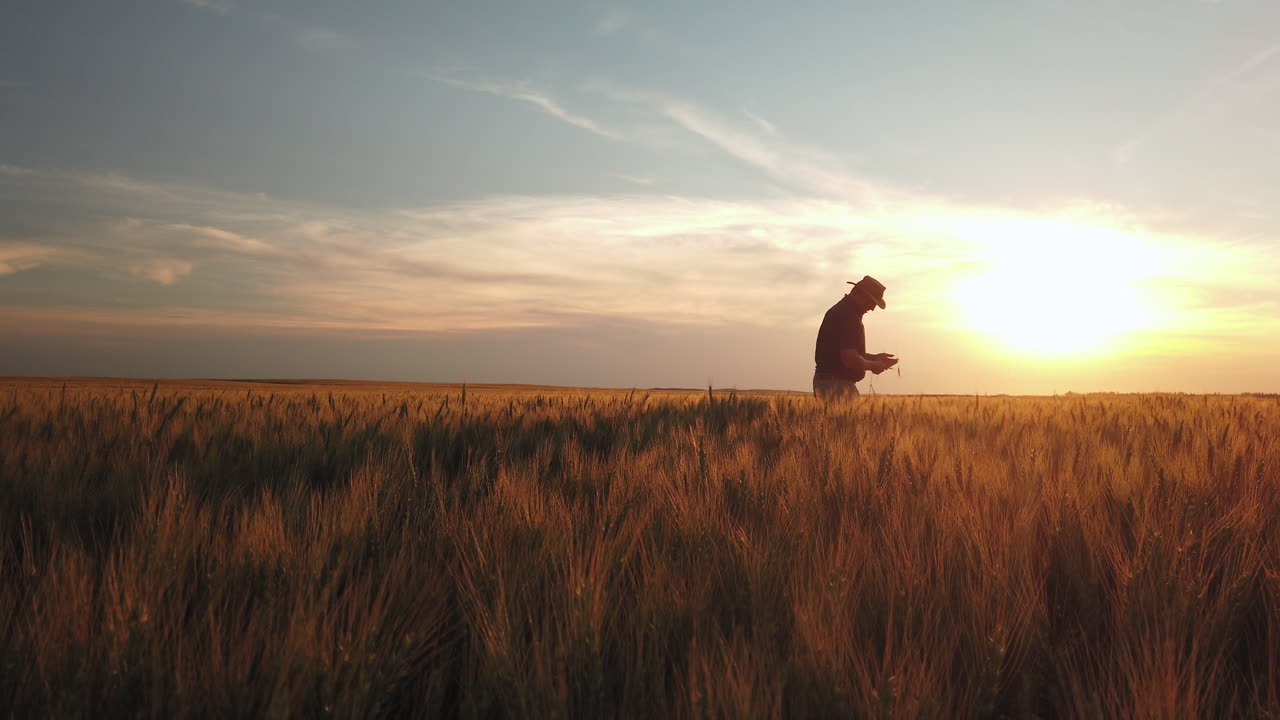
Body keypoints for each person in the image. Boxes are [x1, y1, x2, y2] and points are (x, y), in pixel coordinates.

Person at [813, 275, 898, 400]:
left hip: (832, 383)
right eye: (871, 302)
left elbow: (845, 353)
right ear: (861, 296)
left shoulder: (842, 311)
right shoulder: (849, 316)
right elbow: (849, 358)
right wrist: (874, 365)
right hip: (836, 386)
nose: (872, 308)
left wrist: (874, 358)